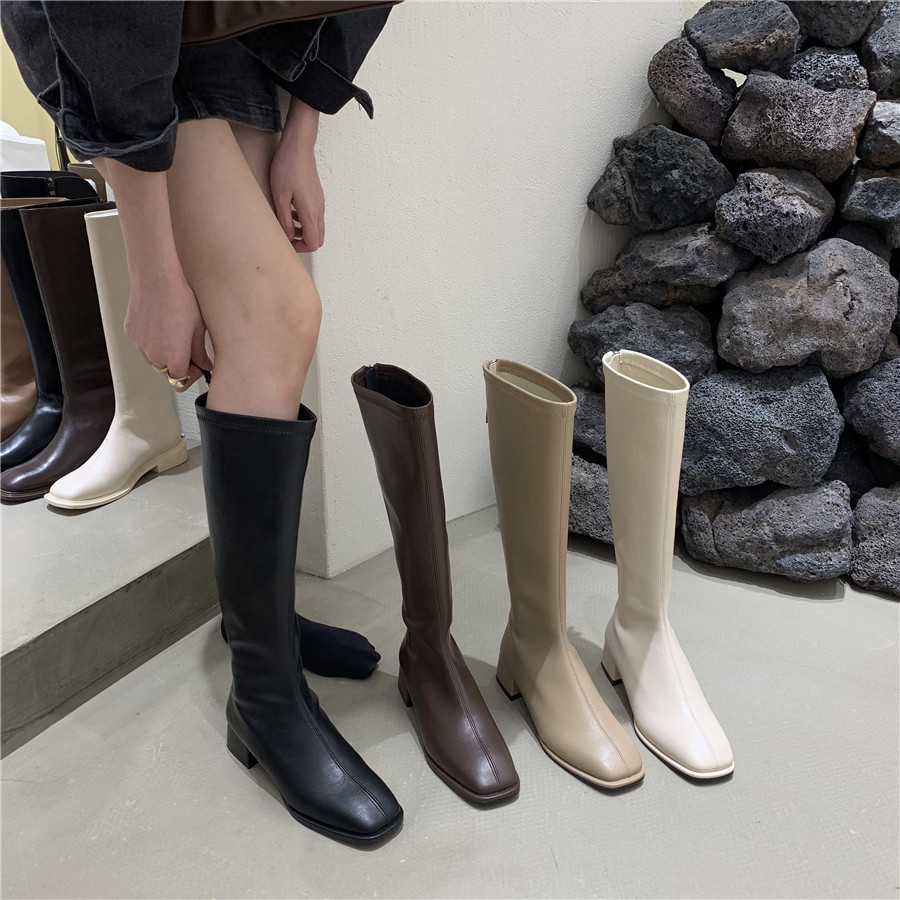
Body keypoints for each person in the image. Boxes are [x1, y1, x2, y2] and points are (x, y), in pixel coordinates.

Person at [2, 1, 404, 843]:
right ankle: (264, 696)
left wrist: (303, 133)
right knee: (277, 317)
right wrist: (153, 270)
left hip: (240, 27)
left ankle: (261, 626)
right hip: (115, 36)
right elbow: (107, 22)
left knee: (249, 335)